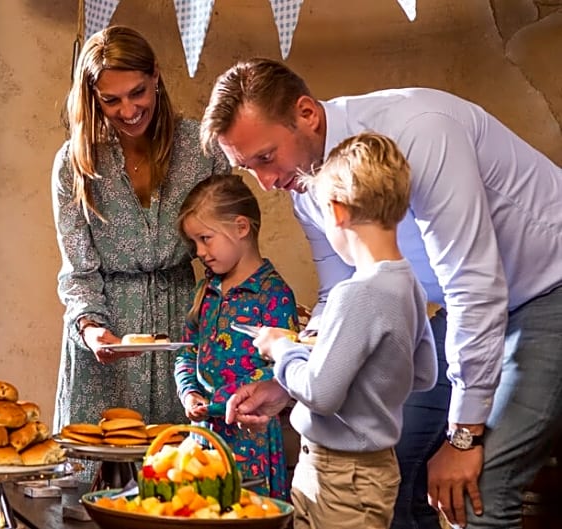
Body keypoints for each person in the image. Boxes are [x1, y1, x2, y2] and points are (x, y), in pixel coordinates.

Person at [203, 58, 562, 529]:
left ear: (306, 113)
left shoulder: (422, 131)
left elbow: (474, 284)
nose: (266, 183)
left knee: (479, 488)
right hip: (464, 309)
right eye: (247, 168)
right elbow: (338, 292)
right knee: (394, 459)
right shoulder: (305, 179)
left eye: (266, 158)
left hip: (547, 290)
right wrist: (292, 384)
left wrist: (464, 438)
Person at [253, 132, 438, 528]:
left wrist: (282, 350)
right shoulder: (410, 284)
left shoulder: (355, 294)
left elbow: (321, 394)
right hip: (374, 471)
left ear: (335, 212)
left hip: (339, 474)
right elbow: (423, 374)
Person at [51, 25, 229, 430]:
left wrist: (224, 324)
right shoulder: (75, 163)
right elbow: (78, 271)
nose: (128, 110)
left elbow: (230, 249)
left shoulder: (201, 149)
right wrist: (91, 329)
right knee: (97, 474)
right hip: (107, 342)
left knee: (181, 473)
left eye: (137, 93)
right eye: (111, 100)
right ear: (92, 97)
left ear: (156, 77)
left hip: (183, 332)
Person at [174, 173, 297, 499]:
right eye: (195, 243)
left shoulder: (273, 293)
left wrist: (224, 401)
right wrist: (189, 393)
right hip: (203, 440)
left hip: (251, 440)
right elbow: (187, 352)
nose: (199, 252)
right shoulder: (205, 292)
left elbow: (284, 367)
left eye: (206, 238)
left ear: (241, 228)